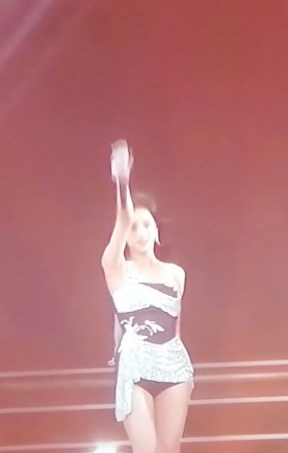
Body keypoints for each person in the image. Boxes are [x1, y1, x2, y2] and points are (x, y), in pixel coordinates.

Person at [102, 140, 194, 453]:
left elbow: (176, 328)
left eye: (146, 225)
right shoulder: (116, 267)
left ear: (156, 230)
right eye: (134, 227)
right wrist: (122, 182)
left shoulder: (176, 274)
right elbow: (123, 216)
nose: (140, 232)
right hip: (135, 365)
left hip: (174, 365)